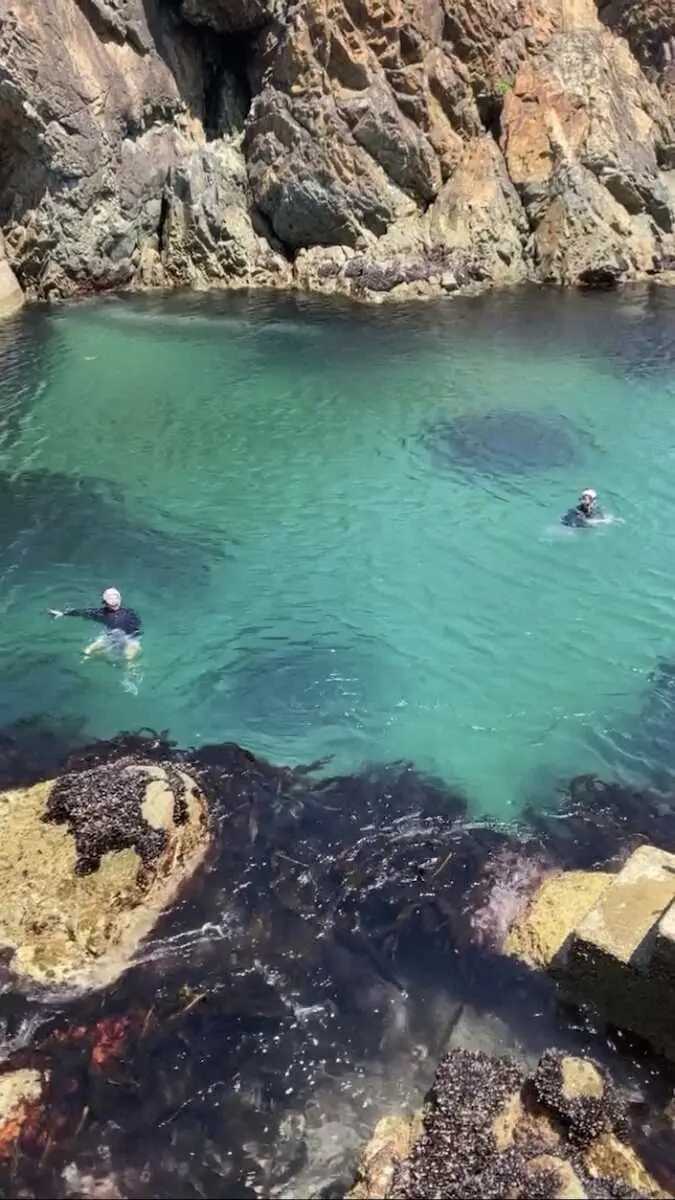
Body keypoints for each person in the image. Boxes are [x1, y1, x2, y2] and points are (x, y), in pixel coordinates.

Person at [49, 587, 142, 660]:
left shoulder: (101, 613)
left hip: (117, 637)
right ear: (120, 599)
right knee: (129, 659)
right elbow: (137, 629)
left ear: (105, 602)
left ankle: (87, 661)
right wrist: (63, 614)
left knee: (88, 651)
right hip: (127, 638)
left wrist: (63, 614)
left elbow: (83, 612)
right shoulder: (130, 612)